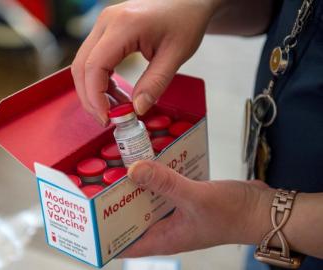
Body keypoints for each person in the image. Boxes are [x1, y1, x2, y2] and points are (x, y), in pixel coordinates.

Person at [71, 0, 323, 269]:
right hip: (271, 228)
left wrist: (252, 214)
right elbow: (287, 13)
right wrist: (198, 6)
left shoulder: (254, 217)